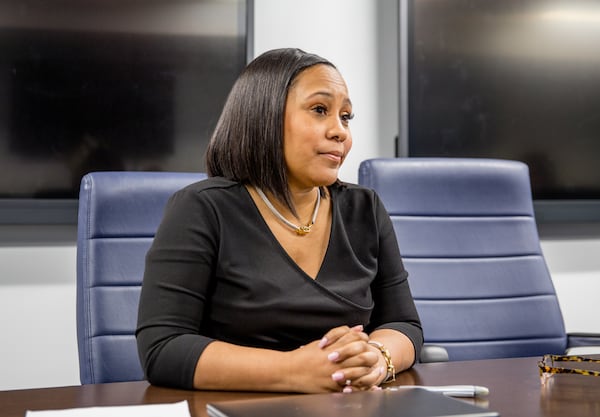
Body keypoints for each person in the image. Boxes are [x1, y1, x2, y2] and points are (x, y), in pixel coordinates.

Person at [136, 48, 423, 393]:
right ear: (265, 116)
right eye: (320, 110)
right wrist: (292, 370)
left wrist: (376, 359)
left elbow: (402, 323)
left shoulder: (365, 209)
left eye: (346, 117)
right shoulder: (201, 208)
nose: (340, 132)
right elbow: (164, 347)